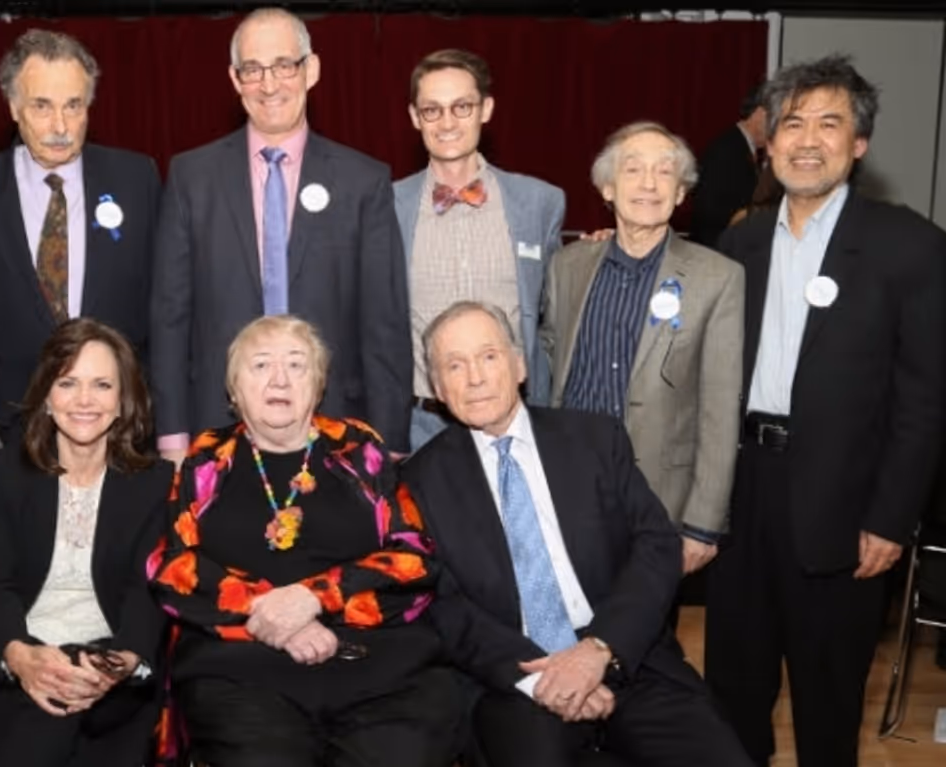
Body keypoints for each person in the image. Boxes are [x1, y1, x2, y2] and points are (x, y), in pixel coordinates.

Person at [404, 301, 769, 767]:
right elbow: (443, 606)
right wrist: (545, 678)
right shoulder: (420, 483)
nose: (476, 378)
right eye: (455, 365)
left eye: (488, 356)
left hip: (626, 655)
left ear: (520, 365)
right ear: (437, 390)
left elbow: (656, 545)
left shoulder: (595, 439)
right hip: (516, 676)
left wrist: (600, 650)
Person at [705, 55, 946, 767]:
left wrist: (890, 517)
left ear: (861, 143)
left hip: (845, 512)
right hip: (740, 499)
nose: (808, 140)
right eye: (793, 123)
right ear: (769, 141)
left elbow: (924, 399)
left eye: (829, 123)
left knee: (828, 694)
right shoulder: (738, 246)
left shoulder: (910, 247)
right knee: (734, 688)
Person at [148, 315, 457, 767]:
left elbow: (414, 556)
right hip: (244, 673)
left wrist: (315, 596)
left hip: (374, 667)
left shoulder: (359, 449)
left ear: (318, 385)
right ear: (234, 388)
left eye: (297, 365)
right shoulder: (207, 458)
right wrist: (274, 617)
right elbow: (174, 566)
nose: (279, 380)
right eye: (261, 365)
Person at [150, 7, 411, 461]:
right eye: (252, 70)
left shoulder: (363, 182)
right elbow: (170, 318)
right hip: (216, 430)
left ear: (311, 70)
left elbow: (384, 325)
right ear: (235, 79)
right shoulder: (192, 176)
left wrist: (388, 444)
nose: (269, 85)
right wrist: (172, 436)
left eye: (284, 66)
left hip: (338, 430)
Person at [0, 318, 172, 767]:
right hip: (12, 667)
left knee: (56, 711)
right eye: (68, 382)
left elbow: (147, 593)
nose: (84, 400)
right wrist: (22, 657)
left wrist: (119, 662)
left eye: (102, 384)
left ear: (125, 399)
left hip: (112, 676)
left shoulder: (153, 482)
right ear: (46, 394)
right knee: (57, 729)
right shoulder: (6, 472)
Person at [546, 122, 743, 580]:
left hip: (660, 499)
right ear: (608, 188)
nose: (649, 184)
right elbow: (548, 370)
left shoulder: (719, 278)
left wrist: (703, 524)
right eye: (633, 170)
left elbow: (720, 407)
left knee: (649, 640)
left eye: (664, 173)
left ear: (680, 194)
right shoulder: (568, 266)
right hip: (570, 487)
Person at [0, 28, 160, 433]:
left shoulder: (137, 179)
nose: (60, 125)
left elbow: (160, 302)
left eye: (74, 105)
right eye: (42, 106)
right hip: (11, 418)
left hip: (119, 418)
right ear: (13, 106)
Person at [394, 49, 565, 450]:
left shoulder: (539, 203)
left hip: (518, 423)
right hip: (422, 428)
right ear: (415, 117)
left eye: (462, 107)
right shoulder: (386, 207)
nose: (448, 122)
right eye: (432, 110)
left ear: (485, 109)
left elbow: (557, 313)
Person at [689, 86, 767, 247]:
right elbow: (707, 208)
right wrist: (751, 214)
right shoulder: (727, 148)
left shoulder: (742, 147)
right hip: (715, 251)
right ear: (761, 113)